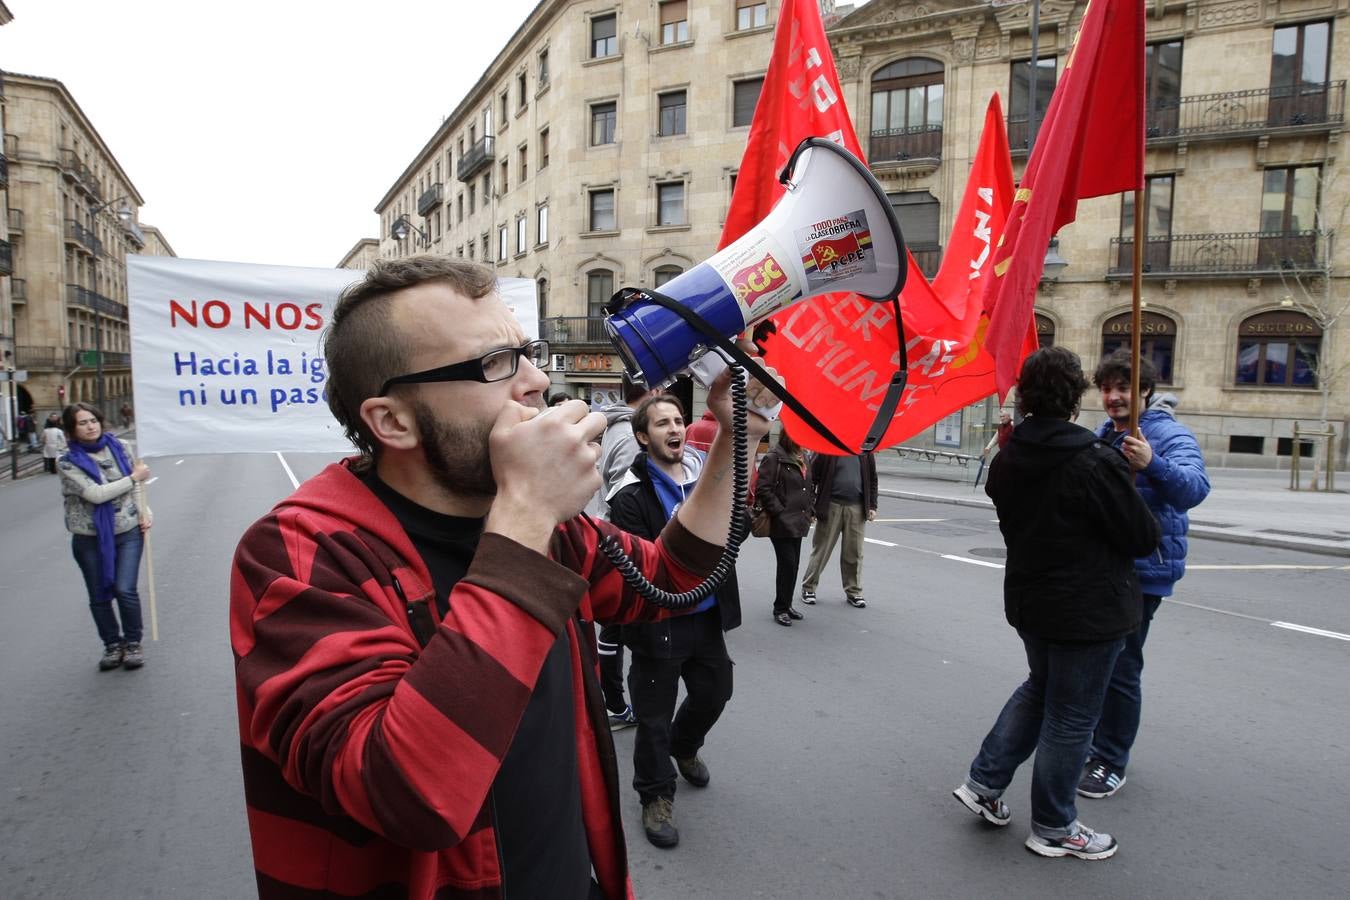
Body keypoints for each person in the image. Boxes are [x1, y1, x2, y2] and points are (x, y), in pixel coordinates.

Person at [229, 256, 775, 900]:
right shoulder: (300, 553)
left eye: (527, 353)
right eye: (494, 364)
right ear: (392, 421)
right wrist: (529, 512)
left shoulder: (542, 522)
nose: (539, 381)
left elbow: (675, 575)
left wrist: (737, 434)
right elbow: (407, 794)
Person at [951, 347, 1159, 861]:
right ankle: (1054, 824)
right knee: (1071, 717)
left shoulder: (1009, 458)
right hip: (1086, 613)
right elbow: (1141, 536)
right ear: (1074, 399)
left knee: (1041, 688)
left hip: (1031, 603)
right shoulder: (1093, 460)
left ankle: (984, 780)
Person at [607, 393, 742, 849]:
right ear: (643, 437)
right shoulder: (629, 495)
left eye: (679, 420)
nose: (675, 429)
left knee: (715, 691)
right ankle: (655, 795)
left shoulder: (706, 477)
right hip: (657, 622)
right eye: (662, 423)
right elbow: (638, 564)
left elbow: (734, 529)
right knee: (653, 718)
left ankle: (685, 746)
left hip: (704, 617)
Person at [1079, 349, 1210, 799]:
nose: (1114, 397)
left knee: (1121, 665)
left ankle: (1111, 760)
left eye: (1124, 388)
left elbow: (1194, 489)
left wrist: (1152, 462)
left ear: (1146, 391)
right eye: (1108, 388)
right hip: (1107, 565)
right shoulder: (1104, 433)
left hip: (1143, 570)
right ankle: (1092, 744)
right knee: (1100, 659)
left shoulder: (1168, 434)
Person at [57, 402, 153, 671]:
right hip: (89, 537)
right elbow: (96, 494)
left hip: (127, 531)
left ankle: (133, 643)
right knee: (99, 595)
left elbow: (135, 490)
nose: (90, 426)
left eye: (93, 420)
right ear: (71, 430)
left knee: (125, 589)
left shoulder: (120, 447)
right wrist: (134, 478)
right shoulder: (66, 462)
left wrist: (145, 511)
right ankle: (112, 644)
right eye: (82, 423)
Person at [585, 375, 656, 731]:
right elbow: (624, 494)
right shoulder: (629, 435)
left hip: (608, 534)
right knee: (616, 627)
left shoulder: (617, 425)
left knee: (613, 627)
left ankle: (611, 701)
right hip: (618, 540)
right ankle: (613, 703)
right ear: (654, 392)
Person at [799, 450, 877, 608]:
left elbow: (872, 479)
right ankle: (808, 587)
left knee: (854, 552)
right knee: (821, 550)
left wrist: (872, 505)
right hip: (831, 505)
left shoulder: (865, 450)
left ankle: (853, 591)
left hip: (857, 507)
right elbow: (812, 477)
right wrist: (812, 506)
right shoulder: (828, 447)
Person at [755, 430, 813, 626]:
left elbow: (808, 486)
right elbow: (763, 488)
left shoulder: (803, 456)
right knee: (787, 563)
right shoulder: (774, 457)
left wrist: (810, 509)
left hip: (799, 520)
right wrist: (779, 511)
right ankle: (780, 608)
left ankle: (786, 605)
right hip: (781, 522)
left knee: (794, 564)